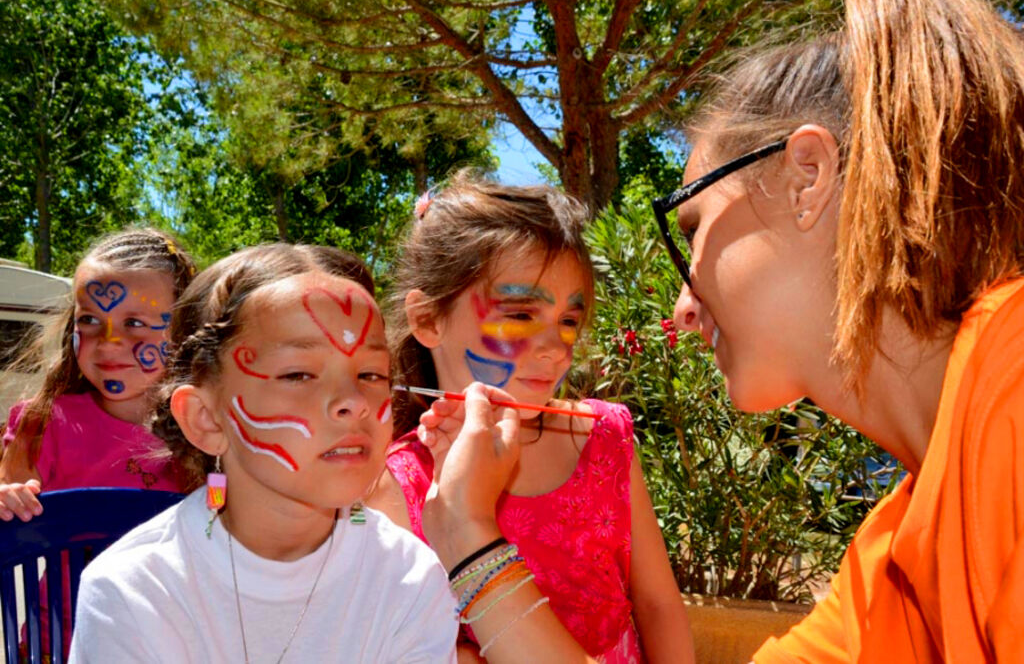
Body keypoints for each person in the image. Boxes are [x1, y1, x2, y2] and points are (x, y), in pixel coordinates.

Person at [418, 0, 1024, 661]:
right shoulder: (896, 555)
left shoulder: (1012, 389)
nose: (680, 306)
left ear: (807, 177)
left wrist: (471, 536)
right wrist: (472, 536)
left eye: (693, 226)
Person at [69, 244, 457, 662]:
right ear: (206, 420)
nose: (354, 400)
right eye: (298, 374)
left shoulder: (409, 579)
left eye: (370, 374)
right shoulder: (132, 591)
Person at [366, 172, 694, 663]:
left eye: (568, 321)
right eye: (520, 315)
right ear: (428, 319)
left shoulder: (604, 438)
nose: (555, 349)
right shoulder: (395, 485)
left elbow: (658, 605)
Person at [0, 227, 197, 516]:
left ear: (183, 329)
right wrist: (7, 500)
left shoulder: (205, 430)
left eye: (134, 323)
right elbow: (9, 507)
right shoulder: (40, 425)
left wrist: (221, 499)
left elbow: (220, 512)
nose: (108, 343)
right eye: (90, 319)